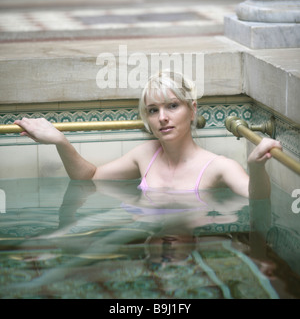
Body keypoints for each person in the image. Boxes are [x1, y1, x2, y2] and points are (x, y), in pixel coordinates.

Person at [14, 70, 282, 199]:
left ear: (192, 110)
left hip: (191, 246)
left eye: (172, 106)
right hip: (148, 240)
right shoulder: (146, 156)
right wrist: (59, 140)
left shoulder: (219, 167)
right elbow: (89, 177)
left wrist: (256, 168)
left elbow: (257, 198)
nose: (162, 117)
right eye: (153, 110)